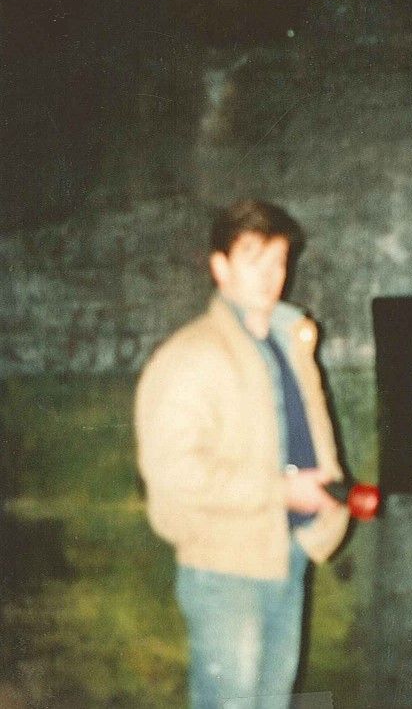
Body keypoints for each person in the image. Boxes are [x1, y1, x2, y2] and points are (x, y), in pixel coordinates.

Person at [134, 199, 349, 709]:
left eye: (279, 261)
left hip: (288, 550)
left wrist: (328, 497)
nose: (271, 276)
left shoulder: (289, 343)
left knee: (272, 700)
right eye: (254, 259)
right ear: (221, 267)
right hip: (225, 566)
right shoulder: (190, 356)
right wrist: (280, 491)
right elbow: (173, 470)